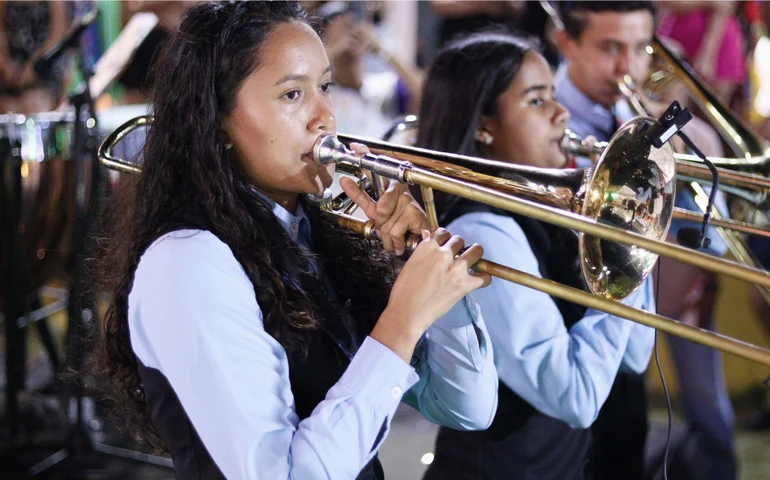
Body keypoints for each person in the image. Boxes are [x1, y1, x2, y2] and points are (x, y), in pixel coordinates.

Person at [93, 3, 499, 479]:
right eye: (291, 94)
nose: (325, 116)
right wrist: (401, 322)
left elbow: (468, 408)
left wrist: (429, 273)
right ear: (217, 120)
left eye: (325, 86)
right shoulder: (188, 261)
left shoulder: (314, 233)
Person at [415, 31, 655, 480]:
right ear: (484, 124)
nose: (560, 112)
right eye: (536, 100)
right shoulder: (480, 232)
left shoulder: (546, 215)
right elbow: (576, 398)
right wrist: (622, 259)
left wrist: (637, 238)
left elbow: (635, 356)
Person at [553, 2, 736, 479]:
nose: (626, 67)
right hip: (566, 343)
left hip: (632, 340)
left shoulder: (647, 119)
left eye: (640, 49)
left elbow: (708, 232)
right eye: (610, 47)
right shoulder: (539, 116)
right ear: (565, 43)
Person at [0, 1, 70, 114]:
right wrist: (7, 65)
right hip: (12, 74)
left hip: (46, 68)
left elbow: (57, 35)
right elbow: (1, 31)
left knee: (33, 105)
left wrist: (32, 68)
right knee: (7, 107)